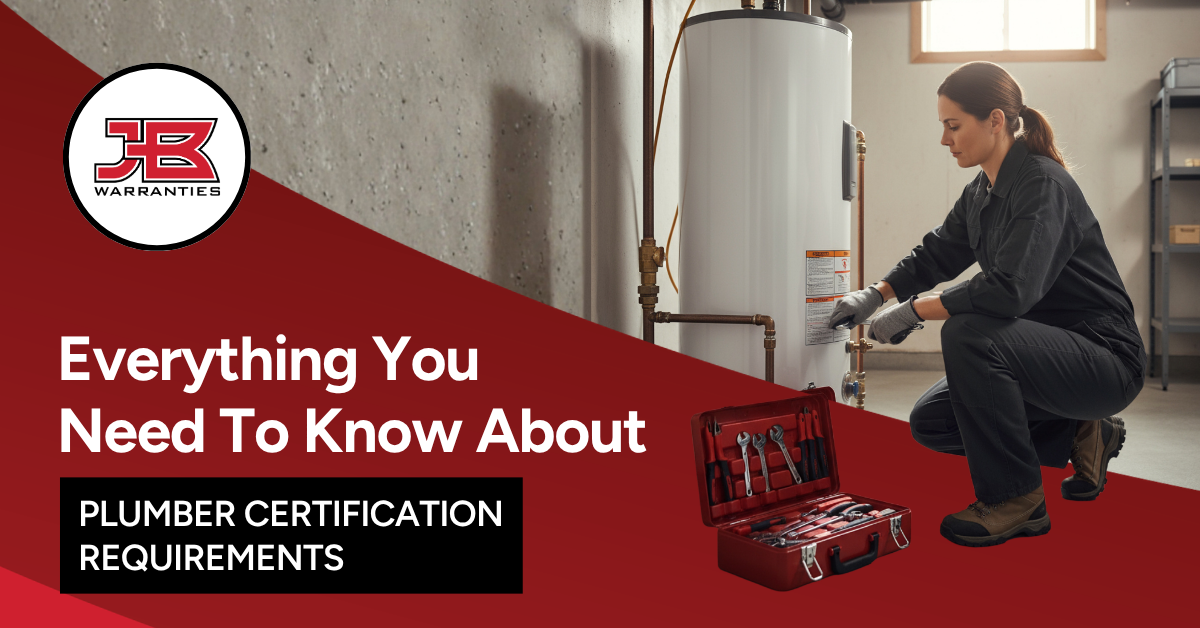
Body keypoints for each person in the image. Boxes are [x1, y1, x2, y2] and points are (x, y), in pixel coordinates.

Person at [827, 61, 1146, 548]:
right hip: (1046, 358)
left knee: (968, 331)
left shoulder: (1044, 185)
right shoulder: (981, 191)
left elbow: (1009, 291)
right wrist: (876, 294)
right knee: (933, 422)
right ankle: (1082, 433)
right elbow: (937, 252)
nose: (945, 139)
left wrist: (916, 311)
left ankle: (1017, 500)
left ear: (995, 120)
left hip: (1103, 358)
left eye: (953, 126)